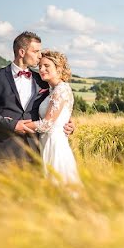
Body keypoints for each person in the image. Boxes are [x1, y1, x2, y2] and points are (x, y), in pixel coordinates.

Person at [0, 31, 74, 166]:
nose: (40, 56)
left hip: (34, 153)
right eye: (36, 51)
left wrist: (68, 124)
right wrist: (12, 125)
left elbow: (56, 107)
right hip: (3, 152)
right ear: (22, 52)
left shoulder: (42, 80)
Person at [23, 50, 81, 184]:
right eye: (40, 66)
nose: (41, 69)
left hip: (55, 145)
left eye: (46, 66)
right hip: (45, 143)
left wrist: (18, 125)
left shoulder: (61, 89)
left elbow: (46, 124)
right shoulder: (52, 90)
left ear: (59, 68)